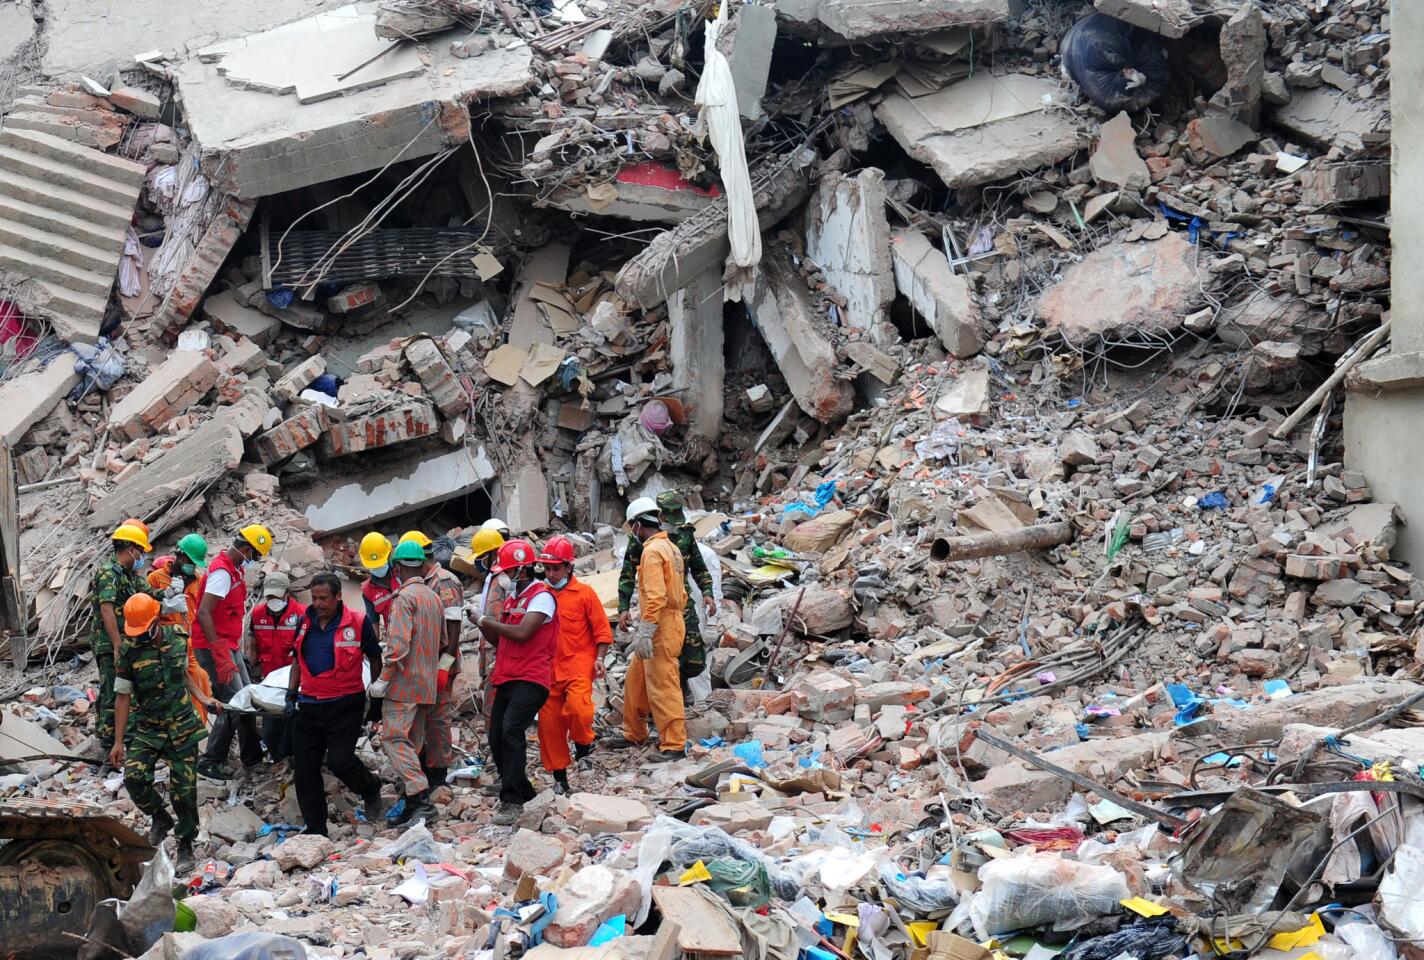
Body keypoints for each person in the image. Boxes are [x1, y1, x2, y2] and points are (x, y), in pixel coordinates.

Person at [110, 593, 223, 872]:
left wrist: (205, 699)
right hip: (149, 727)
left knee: (184, 791)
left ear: (156, 619)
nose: (140, 636)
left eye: (144, 629)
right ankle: (159, 817)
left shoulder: (178, 637)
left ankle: (185, 843)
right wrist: (118, 742)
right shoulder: (128, 650)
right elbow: (122, 696)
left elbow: (184, 676)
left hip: (183, 725)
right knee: (134, 778)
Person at [283, 572, 384, 836]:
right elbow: (297, 660)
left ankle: (370, 787)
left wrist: (376, 696)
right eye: (314, 598)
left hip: (345, 705)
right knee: (305, 771)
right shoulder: (304, 622)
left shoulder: (358, 623)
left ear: (338, 596)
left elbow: (375, 658)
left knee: (340, 761)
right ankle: (316, 829)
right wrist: (291, 695)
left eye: (323, 598)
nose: (318, 603)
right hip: (310, 705)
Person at [476, 539, 558, 825]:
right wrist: (482, 625)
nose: (505, 578)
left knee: (511, 730)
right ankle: (525, 792)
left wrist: (487, 620)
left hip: (532, 677)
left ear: (523, 569)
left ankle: (511, 800)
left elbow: (523, 633)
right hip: (508, 676)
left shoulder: (542, 597)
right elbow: (499, 640)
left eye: (509, 572)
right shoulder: (513, 599)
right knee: (497, 736)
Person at [371, 540, 444, 824]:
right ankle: (413, 805)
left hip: (403, 684)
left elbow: (398, 645)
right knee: (413, 743)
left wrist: (383, 679)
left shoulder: (404, 598)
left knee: (392, 738)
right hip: (426, 683)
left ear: (398, 567)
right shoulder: (433, 597)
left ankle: (420, 797)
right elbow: (444, 641)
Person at [609, 501, 688, 761]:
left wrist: (645, 631)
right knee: (636, 679)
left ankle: (674, 744)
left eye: (633, 527)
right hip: (670, 621)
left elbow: (655, 596)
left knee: (663, 683)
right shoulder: (671, 548)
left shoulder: (652, 551)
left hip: (661, 626)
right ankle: (634, 732)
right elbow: (681, 591)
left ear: (638, 525)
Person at [192, 525, 273, 780]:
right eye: (256, 556)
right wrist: (218, 651)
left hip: (228, 643)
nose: (255, 562)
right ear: (247, 549)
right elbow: (204, 612)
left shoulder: (234, 568)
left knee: (248, 699)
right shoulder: (222, 573)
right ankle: (211, 760)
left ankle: (252, 757)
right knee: (235, 703)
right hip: (213, 646)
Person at [616, 492, 716, 697]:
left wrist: (707, 592)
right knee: (659, 660)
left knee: (694, 660)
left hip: (682, 604)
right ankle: (664, 701)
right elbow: (627, 574)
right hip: (656, 611)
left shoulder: (684, 535)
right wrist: (623, 607)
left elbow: (699, 568)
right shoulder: (640, 539)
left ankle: (679, 684)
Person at [536, 536, 611, 794]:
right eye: (547, 568)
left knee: (579, 710)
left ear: (568, 567)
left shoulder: (585, 594)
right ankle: (560, 778)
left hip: (578, 665)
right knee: (549, 725)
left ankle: (583, 749)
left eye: (556, 568)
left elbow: (602, 632)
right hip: (547, 671)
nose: (551, 573)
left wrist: (599, 658)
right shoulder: (539, 595)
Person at [89, 523, 156, 759]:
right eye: (140, 550)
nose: (142, 556)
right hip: (110, 645)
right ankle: (109, 747)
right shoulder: (108, 573)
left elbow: (147, 595)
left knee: (124, 691)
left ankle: (125, 741)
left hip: (125, 642)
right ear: (129, 548)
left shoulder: (127, 575)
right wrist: (117, 644)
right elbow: (106, 609)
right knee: (112, 692)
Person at [407, 533, 465, 797]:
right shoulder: (423, 582)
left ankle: (438, 774)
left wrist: (445, 665)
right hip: (423, 665)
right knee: (423, 718)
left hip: (440, 663)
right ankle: (422, 769)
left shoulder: (444, 582)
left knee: (438, 719)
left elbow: (454, 628)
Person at [248, 572, 305, 762]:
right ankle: (279, 762)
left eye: (277, 596)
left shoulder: (301, 615)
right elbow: (253, 644)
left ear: (287, 593)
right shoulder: (257, 614)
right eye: (270, 596)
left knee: (294, 727)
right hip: (270, 682)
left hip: (295, 682)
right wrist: (252, 668)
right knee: (270, 731)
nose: (273, 600)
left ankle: (296, 762)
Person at [464, 526, 505, 735]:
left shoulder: (501, 580)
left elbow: (496, 625)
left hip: (498, 654)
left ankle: (496, 753)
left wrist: (480, 620)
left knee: (493, 708)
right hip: (489, 651)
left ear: (493, 553)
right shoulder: (492, 578)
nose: (477, 562)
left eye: (480, 556)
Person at [358, 532, 396, 631]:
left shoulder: (403, 572)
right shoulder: (368, 591)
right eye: (373, 566)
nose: (377, 568)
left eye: (380, 563)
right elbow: (374, 628)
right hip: (396, 640)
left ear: (389, 555)